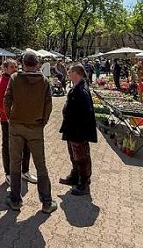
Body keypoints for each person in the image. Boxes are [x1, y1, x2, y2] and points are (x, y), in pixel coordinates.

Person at [3, 51, 55, 214]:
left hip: (17, 126)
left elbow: (7, 100)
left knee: (15, 163)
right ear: (37, 64)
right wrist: (43, 121)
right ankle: (46, 202)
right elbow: (49, 104)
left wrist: (11, 118)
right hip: (35, 127)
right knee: (40, 164)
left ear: (23, 64)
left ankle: (15, 200)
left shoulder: (15, 78)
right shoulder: (44, 81)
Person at [0, 59, 35, 192]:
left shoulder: (19, 80)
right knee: (8, 147)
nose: (15, 69)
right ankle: (9, 174)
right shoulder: (0, 83)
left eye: (16, 66)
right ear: (5, 68)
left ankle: (25, 171)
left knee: (26, 146)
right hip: (8, 121)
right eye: (12, 67)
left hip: (23, 120)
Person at [59, 63, 97, 196]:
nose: (68, 74)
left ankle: (84, 182)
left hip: (78, 130)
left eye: (70, 72)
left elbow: (86, 113)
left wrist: (79, 128)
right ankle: (75, 176)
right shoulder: (77, 87)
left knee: (81, 157)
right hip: (71, 129)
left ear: (76, 73)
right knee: (74, 155)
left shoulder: (81, 90)